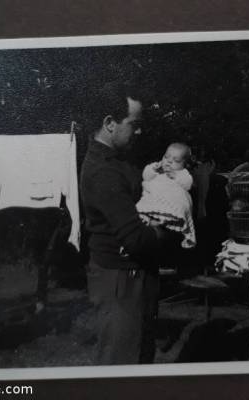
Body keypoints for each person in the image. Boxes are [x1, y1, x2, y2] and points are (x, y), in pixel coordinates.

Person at [80, 82, 181, 365]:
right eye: (134, 124)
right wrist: (173, 234)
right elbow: (136, 238)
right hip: (120, 280)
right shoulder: (104, 171)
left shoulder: (119, 161)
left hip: (135, 274)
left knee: (140, 360)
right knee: (121, 365)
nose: (140, 131)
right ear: (109, 123)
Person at [136, 143, 196, 248]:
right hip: (154, 198)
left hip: (170, 203)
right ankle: (150, 220)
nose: (169, 161)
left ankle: (164, 221)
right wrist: (153, 169)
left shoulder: (182, 173)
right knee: (142, 208)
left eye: (176, 160)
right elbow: (146, 176)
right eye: (166, 157)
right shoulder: (157, 169)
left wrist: (176, 176)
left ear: (184, 164)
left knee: (179, 204)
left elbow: (188, 184)